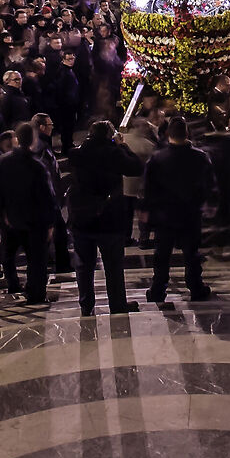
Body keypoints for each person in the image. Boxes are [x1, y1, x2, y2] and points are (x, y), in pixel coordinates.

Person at [65, 119, 143, 317]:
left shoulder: (77, 153)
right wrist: (122, 146)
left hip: (82, 218)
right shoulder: (114, 153)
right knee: (113, 265)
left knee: (84, 265)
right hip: (109, 217)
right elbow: (136, 167)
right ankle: (117, 304)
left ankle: (86, 305)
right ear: (110, 135)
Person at [142, 116, 216, 303]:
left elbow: (148, 189)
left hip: (165, 215)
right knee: (192, 253)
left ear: (168, 135)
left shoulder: (157, 159)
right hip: (190, 213)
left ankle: (158, 290)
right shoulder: (200, 157)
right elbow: (209, 185)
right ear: (187, 133)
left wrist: (148, 211)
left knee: (162, 255)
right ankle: (195, 287)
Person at [0, 126, 58, 303]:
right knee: (37, 259)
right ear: (33, 140)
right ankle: (35, 293)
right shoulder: (37, 166)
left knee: (9, 254)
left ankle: (13, 283)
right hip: (35, 220)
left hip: (10, 217)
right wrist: (50, 223)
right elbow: (47, 196)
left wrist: (2, 213)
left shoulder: (0, 163)